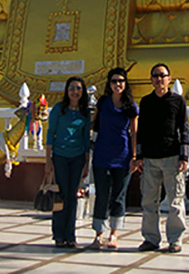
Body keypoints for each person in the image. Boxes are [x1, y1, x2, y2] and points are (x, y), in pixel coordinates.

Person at [134, 62, 189, 253]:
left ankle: (175, 238)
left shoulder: (177, 101)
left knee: (175, 200)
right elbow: (141, 130)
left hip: (172, 155)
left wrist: (184, 155)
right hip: (150, 157)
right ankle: (150, 238)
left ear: (169, 79)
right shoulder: (146, 102)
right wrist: (139, 155)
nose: (159, 79)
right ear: (151, 79)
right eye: (156, 76)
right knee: (149, 200)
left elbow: (184, 128)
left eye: (163, 76)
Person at [90, 67, 139, 250]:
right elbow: (94, 124)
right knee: (102, 195)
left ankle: (114, 234)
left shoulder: (131, 106)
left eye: (121, 81)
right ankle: (98, 234)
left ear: (125, 84)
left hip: (123, 155)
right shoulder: (102, 102)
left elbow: (134, 133)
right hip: (102, 153)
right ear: (109, 84)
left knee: (119, 196)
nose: (117, 84)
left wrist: (134, 156)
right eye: (114, 81)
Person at [45, 76, 91, 248]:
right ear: (67, 91)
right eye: (72, 88)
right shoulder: (59, 109)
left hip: (78, 157)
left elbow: (86, 138)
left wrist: (86, 162)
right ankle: (58, 234)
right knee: (61, 194)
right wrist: (48, 160)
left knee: (72, 196)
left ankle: (70, 235)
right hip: (60, 156)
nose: (75, 92)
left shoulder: (84, 112)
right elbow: (51, 134)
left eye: (78, 88)